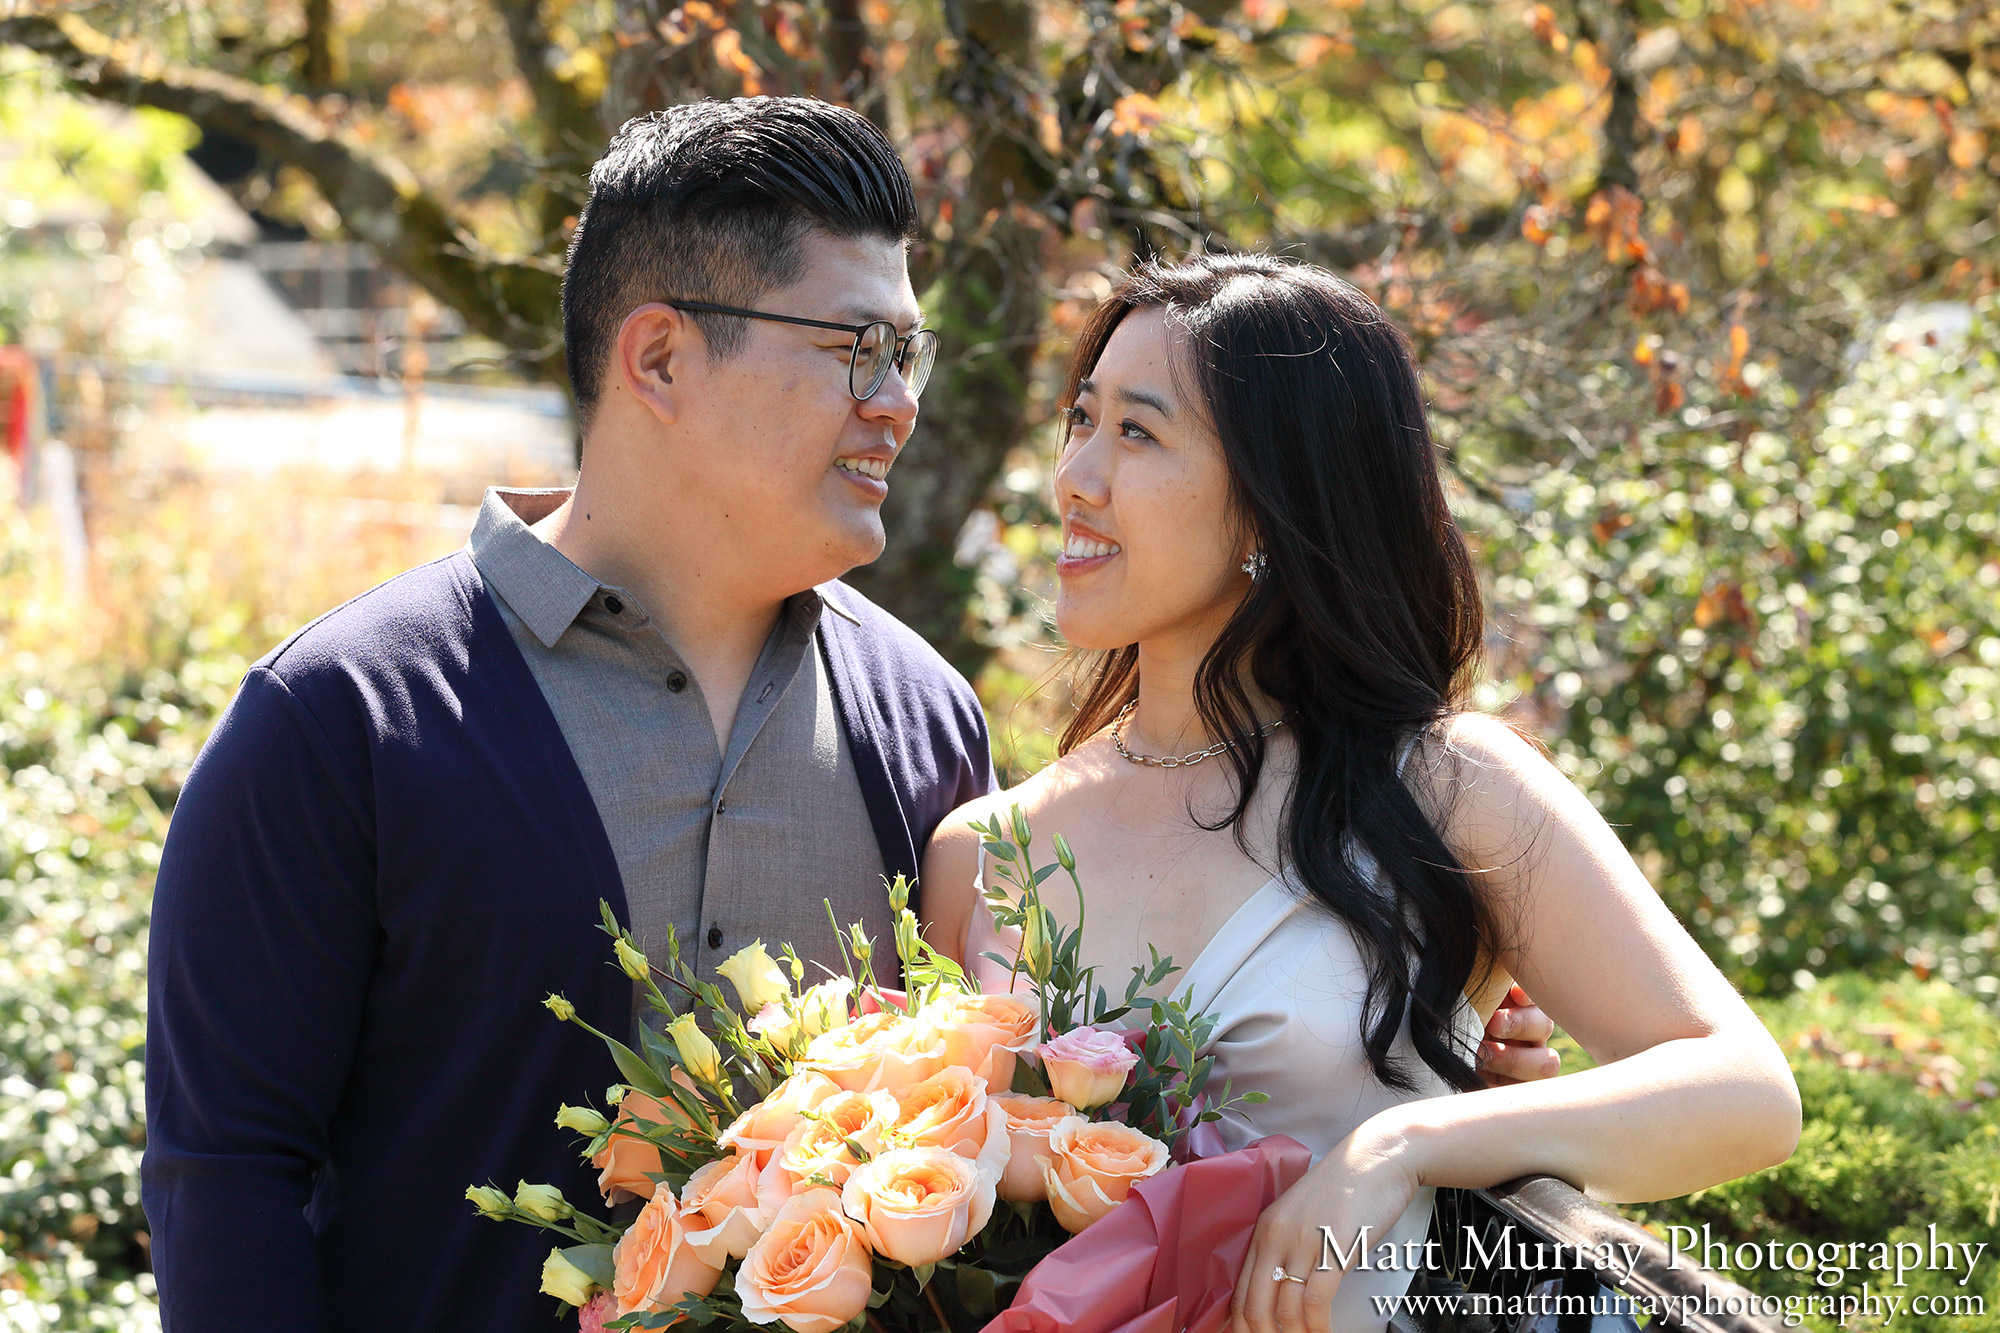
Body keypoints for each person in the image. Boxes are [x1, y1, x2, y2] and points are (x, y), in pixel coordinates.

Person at [143, 99, 1552, 1332]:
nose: (899, 406)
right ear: (659, 360)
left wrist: (1428, 1068)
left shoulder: (922, 721)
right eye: (856, 347)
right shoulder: (338, 722)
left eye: (910, 355)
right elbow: (228, 1179)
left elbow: (1023, 1139)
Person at [919, 253, 1802, 1333]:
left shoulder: (1442, 787)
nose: (1074, 478)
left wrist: (1403, 1147)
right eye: (1080, 419)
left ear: (1270, 502)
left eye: (1138, 433)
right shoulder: (985, 850)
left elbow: (1742, 1092)